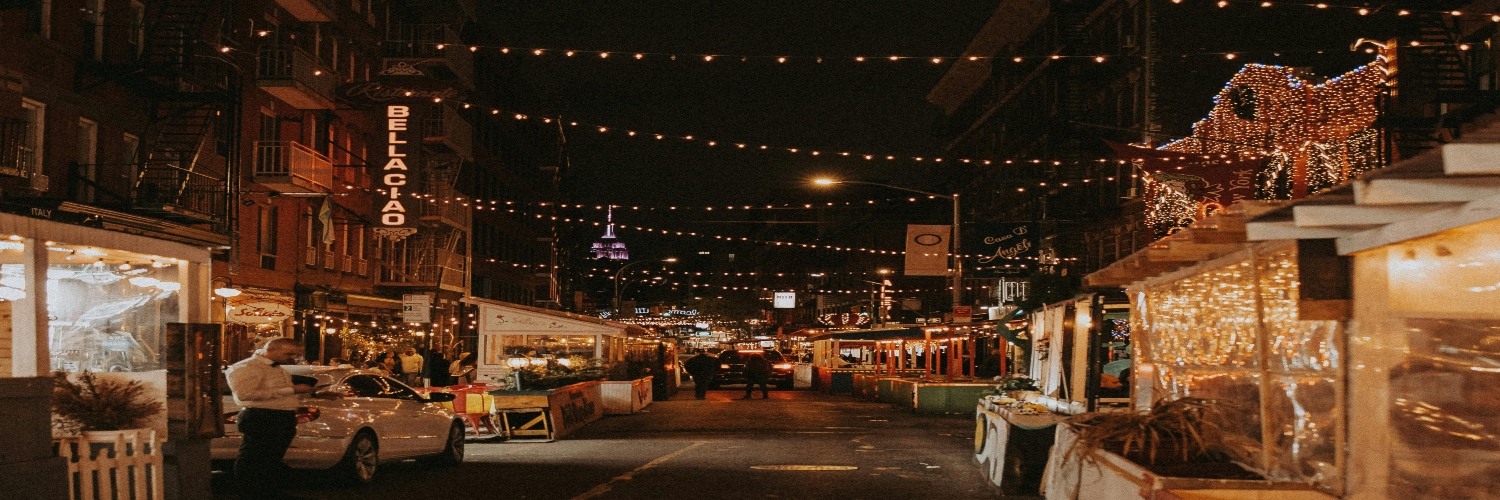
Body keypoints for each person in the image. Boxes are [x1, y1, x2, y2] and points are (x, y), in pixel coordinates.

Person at [225, 337, 320, 499]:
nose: (292, 357)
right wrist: (291, 390)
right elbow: (244, 394)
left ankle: (267, 491)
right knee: (253, 459)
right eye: (289, 353)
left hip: (282, 417)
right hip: (261, 416)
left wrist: (314, 393)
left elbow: (278, 393)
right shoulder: (246, 367)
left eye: (295, 354)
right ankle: (250, 493)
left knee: (271, 459)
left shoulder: (277, 368)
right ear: (271, 349)